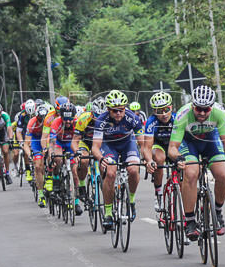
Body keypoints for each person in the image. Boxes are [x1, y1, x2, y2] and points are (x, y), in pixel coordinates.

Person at [167, 85, 225, 238]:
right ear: (192, 106)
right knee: (191, 173)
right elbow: (172, 147)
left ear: (212, 107)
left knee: (223, 174)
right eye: (199, 109)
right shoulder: (182, 115)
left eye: (207, 109)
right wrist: (178, 157)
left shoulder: (219, 112)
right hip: (188, 143)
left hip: (210, 141)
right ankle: (190, 220)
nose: (203, 113)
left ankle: (217, 212)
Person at [91, 90, 145, 229]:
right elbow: (95, 147)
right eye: (115, 111)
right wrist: (101, 158)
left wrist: (145, 157)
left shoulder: (133, 118)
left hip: (128, 143)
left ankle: (131, 201)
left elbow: (142, 143)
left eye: (121, 110)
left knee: (133, 169)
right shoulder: (101, 120)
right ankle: (108, 213)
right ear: (108, 109)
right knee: (110, 173)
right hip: (109, 146)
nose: (118, 114)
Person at [140, 92, 175, 212]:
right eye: (160, 111)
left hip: (173, 145)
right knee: (159, 159)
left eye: (167, 109)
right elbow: (147, 147)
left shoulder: (177, 119)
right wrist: (149, 161)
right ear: (154, 112)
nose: (164, 114)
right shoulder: (151, 122)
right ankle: (158, 193)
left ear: (171, 107)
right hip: (158, 144)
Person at [48, 101, 82, 214]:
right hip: (59, 143)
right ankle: (56, 180)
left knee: (75, 172)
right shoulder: (56, 123)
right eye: (65, 119)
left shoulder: (77, 122)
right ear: (61, 116)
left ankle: (76, 202)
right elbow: (52, 143)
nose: (68, 122)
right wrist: (51, 155)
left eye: (70, 119)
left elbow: (79, 141)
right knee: (57, 159)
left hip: (71, 144)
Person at [71, 97, 106, 202]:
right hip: (85, 142)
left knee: (105, 164)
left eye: (101, 116)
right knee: (84, 160)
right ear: (92, 113)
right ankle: (82, 186)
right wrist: (77, 152)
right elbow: (75, 140)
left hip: (101, 143)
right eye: (96, 115)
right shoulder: (84, 118)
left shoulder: (109, 119)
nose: (98, 119)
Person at [12, 100, 36, 181]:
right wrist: (22, 143)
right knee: (26, 151)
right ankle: (28, 170)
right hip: (24, 133)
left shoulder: (38, 112)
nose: (30, 116)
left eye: (32, 114)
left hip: (35, 132)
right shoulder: (22, 115)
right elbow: (18, 131)